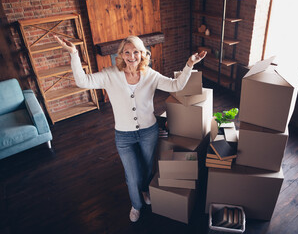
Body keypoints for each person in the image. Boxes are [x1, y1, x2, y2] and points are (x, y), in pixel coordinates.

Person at [54, 35, 206, 222]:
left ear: (143, 54)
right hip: (124, 136)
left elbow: (176, 85)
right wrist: (74, 54)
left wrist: (189, 64)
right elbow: (83, 82)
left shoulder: (150, 75)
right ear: (121, 55)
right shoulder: (110, 74)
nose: (131, 56)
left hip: (148, 132)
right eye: (127, 52)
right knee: (131, 175)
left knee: (147, 168)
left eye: (136, 52)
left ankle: (144, 191)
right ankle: (136, 205)